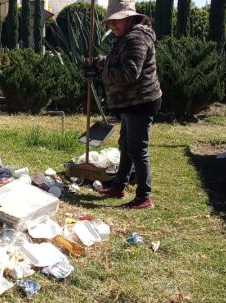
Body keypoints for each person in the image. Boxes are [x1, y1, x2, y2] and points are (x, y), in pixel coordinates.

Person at [84, 0, 162, 209]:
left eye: (117, 21)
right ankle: (119, 186)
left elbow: (129, 73)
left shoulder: (136, 39)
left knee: (137, 150)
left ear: (129, 19)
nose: (113, 26)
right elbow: (115, 60)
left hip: (142, 101)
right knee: (125, 147)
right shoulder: (125, 37)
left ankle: (144, 197)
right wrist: (98, 62)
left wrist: (101, 72)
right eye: (111, 22)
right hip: (131, 103)